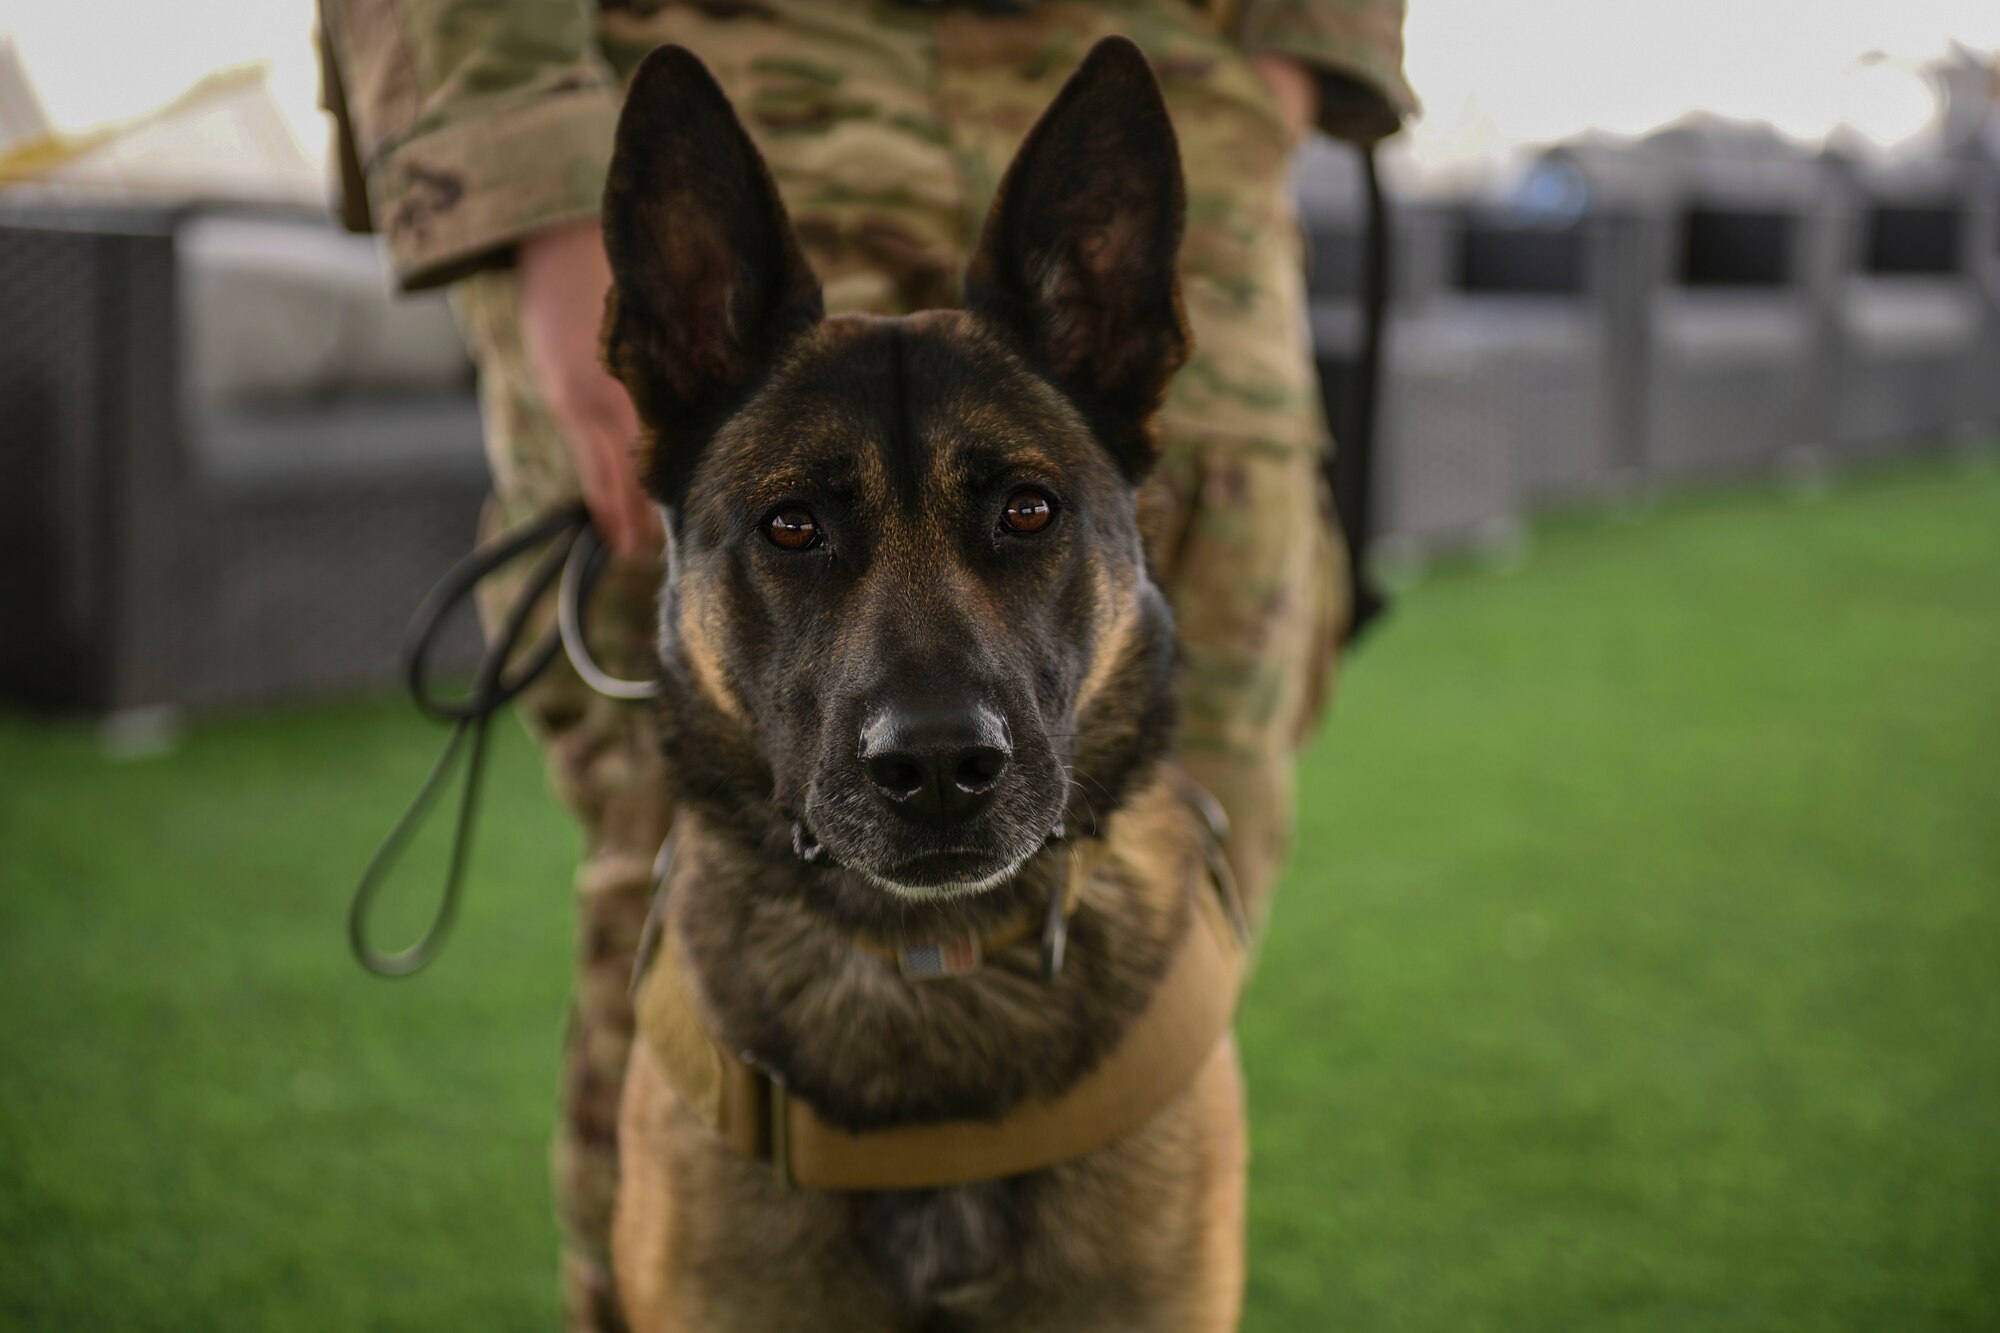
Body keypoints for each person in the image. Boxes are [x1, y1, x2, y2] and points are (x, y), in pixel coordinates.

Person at [317, 0, 1413, 1326]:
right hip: (735, 55)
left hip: (1181, 57)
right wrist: (522, 183)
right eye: (794, 530)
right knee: (660, 961)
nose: (933, 730)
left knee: (1181, 904)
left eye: (1023, 521)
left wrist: (1286, 70)